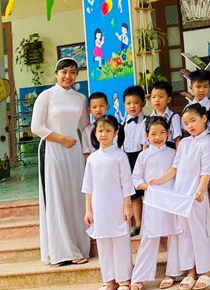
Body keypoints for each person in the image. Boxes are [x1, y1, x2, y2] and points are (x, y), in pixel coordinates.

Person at [30, 58, 90, 266]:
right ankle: (62, 251)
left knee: (75, 196)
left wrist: (89, 152)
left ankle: (79, 245)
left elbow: (85, 128)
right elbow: (36, 127)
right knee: (56, 196)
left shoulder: (80, 98)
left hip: (74, 152)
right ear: (56, 74)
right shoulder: (46, 96)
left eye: (72, 72)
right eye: (63, 72)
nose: (68, 76)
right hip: (52, 149)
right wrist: (62, 139)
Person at [150, 105, 210, 290]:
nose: (190, 126)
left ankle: (205, 272)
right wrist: (159, 180)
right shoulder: (185, 143)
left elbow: (206, 172)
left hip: (196, 197)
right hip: (180, 197)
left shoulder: (207, 144)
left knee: (200, 234)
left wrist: (201, 190)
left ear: (204, 118)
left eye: (193, 120)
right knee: (184, 235)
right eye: (186, 123)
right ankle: (190, 272)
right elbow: (175, 168)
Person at [82, 115, 135, 290]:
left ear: (116, 132)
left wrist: (127, 206)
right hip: (99, 206)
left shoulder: (120, 156)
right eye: (100, 130)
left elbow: (127, 183)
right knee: (103, 243)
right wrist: (88, 210)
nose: (103, 134)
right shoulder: (92, 158)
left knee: (120, 242)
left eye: (108, 130)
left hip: (118, 204)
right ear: (95, 133)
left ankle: (124, 280)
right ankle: (109, 280)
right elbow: (88, 186)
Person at [130, 117, 181, 290]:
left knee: (174, 234)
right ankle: (139, 276)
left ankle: (172, 273)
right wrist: (148, 188)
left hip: (171, 199)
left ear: (168, 134)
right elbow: (136, 178)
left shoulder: (174, 153)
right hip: (152, 200)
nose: (158, 137)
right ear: (146, 136)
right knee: (149, 236)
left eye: (162, 133)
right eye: (153, 134)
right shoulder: (143, 155)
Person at [122, 85, 147, 236]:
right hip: (128, 159)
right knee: (135, 194)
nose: (132, 106)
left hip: (143, 156)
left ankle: (152, 222)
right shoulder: (122, 123)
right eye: (128, 103)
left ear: (143, 103)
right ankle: (138, 224)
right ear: (124, 105)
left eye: (136, 102)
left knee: (147, 191)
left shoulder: (148, 121)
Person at [146, 81, 182, 149]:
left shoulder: (174, 117)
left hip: (169, 150)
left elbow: (177, 139)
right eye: (153, 97)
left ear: (168, 99)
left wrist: (179, 154)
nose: (157, 100)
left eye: (161, 97)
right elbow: (145, 143)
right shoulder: (147, 119)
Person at [81, 92, 109, 157]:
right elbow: (86, 152)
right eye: (94, 107)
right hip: (94, 162)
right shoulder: (87, 131)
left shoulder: (114, 127)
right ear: (89, 110)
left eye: (101, 106)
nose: (98, 109)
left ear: (107, 107)